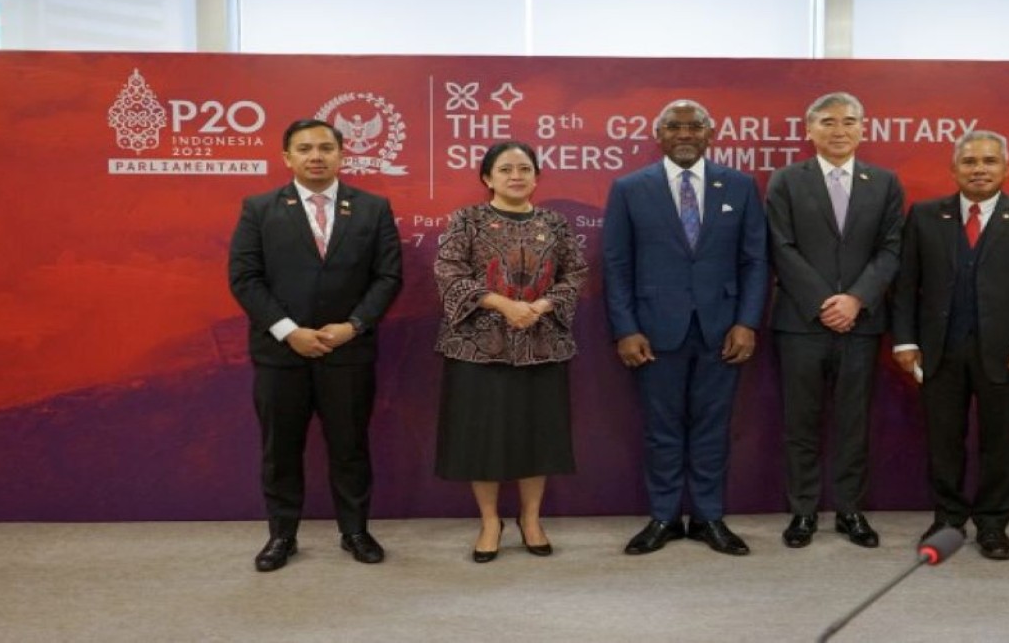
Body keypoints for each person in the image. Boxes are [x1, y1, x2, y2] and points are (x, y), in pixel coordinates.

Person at [228, 118, 403, 572]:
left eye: (326, 147)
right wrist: (289, 330)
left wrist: (355, 325)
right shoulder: (260, 208)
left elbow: (388, 277)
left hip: (348, 350)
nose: (316, 155)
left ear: (343, 154)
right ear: (287, 157)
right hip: (281, 353)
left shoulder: (372, 208)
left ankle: (356, 531)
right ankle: (281, 536)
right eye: (304, 148)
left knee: (350, 446)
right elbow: (245, 279)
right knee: (280, 448)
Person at [602, 99, 768, 556]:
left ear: (710, 134)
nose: (685, 133)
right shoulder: (630, 188)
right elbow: (616, 265)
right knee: (662, 429)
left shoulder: (739, 185)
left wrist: (747, 322)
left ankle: (709, 518)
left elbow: (755, 261)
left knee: (714, 428)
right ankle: (665, 517)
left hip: (723, 331)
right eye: (674, 126)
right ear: (659, 135)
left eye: (694, 126)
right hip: (654, 331)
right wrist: (625, 329)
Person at [890, 130, 1009, 560]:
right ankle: (948, 519)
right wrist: (906, 341)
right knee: (943, 440)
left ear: (1006, 168)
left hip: (1006, 356)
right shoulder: (926, 215)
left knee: (998, 444)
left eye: (989, 161)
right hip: (938, 352)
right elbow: (907, 285)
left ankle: (992, 524)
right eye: (969, 162)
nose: (979, 169)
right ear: (953, 169)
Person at [433, 141, 587, 563]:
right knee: (482, 439)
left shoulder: (555, 224)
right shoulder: (468, 220)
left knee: (537, 437)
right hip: (478, 348)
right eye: (505, 169)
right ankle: (489, 521)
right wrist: (503, 305)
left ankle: (531, 518)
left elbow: (575, 273)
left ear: (537, 176)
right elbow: (448, 272)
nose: (516, 176)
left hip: (543, 345)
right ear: (488, 178)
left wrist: (539, 307)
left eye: (524, 168)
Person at [766, 91, 903, 549]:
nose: (839, 130)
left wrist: (857, 299)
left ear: (863, 128)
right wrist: (826, 301)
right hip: (801, 323)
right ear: (810, 130)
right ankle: (803, 512)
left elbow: (891, 248)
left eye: (848, 122)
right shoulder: (786, 180)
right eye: (828, 122)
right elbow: (780, 247)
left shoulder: (883, 182)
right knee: (800, 422)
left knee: (853, 422)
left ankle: (850, 510)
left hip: (860, 324)